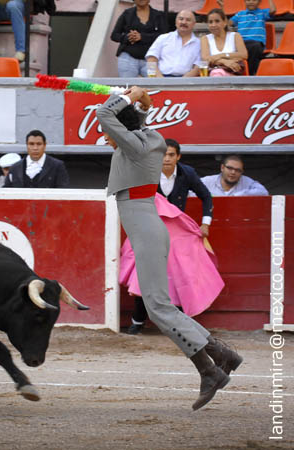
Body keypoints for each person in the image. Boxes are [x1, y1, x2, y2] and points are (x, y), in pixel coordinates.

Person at [96, 86, 242, 411]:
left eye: (109, 133)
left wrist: (129, 95)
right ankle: (219, 358)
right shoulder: (152, 139)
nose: (106, 137)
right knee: (161, 307)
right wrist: (140, 102)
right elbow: (133, 120)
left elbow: (105, 113)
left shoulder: (134, 146)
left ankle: (212, 366)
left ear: (123, 128)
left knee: (160, 308)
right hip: (150, 227)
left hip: (146, 231)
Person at [126, 138, 215, 335]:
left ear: (178, 157)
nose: (166, 159)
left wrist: (205, 223)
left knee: (180, 277)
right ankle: (138, 322)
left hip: (178, 234)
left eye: (171, 155)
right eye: (162, 154)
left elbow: (206, 196)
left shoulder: (187, 173)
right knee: (144, 275)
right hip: (150, 230)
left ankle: (179, 324)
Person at [110, 0, 167, 78]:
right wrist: (128, 37)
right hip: (128, 58)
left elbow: (164, 36)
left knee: (154, 83)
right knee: (128, 84)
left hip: (151, 59)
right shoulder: (127, 14)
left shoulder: (158, 15)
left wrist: (142, 37)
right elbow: (114, 35)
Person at [219, 0, 275, 75]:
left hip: (257, 43)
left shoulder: (262, 13)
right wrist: (222, 7)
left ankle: (249, 73)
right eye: (248, 0)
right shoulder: (240, 14)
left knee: (254, 47)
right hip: (242, 43)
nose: (251, 2)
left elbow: (273, 10)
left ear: (259, 2)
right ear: (244, 2)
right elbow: (227, 24)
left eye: (254, 0)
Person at [4, 130, 69, 188]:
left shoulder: (57, 166)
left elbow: (63, 192)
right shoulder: (15, 168)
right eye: (31, 144)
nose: (35, 148)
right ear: (27, 145)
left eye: (39, 144)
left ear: (45, 145)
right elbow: (7, 191)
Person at [145, 10, 201, 77]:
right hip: (161, 77)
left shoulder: (199, 43)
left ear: (194, 24)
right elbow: (151, 59)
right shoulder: (163, 38)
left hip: (187, 79)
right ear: (176, 22)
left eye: (188, 20)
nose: (184, 22)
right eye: (181, 19)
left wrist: (184, 81)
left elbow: (198, 67)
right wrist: (160, 79)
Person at [201, 8, 248, 77]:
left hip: (233, 73)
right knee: (217, 73)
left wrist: (221, 55)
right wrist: (225, 61)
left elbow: (244, 55)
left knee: (217, 74)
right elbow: (206, 59)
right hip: (213, 73)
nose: (213, 25)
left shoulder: (235, 36)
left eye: (217, 21)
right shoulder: (205, 38)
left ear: (225, 22)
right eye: (210, 22)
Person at [201, 154, 269, 196]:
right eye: (230, 168)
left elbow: (264, 192)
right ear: (222, 168)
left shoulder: (246, 182)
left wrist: (238, 196)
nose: (233, 172)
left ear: (242, 172)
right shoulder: (207, 181)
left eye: (238, 170)